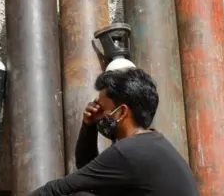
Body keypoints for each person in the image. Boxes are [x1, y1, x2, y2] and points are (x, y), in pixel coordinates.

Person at [29, 68, 199, 196]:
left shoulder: (129, 151)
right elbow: (88, 174)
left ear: (122, 112)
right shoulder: (151, 143)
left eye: (102, 109)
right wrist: (89, 126)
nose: (99, 114)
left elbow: (61, 188)